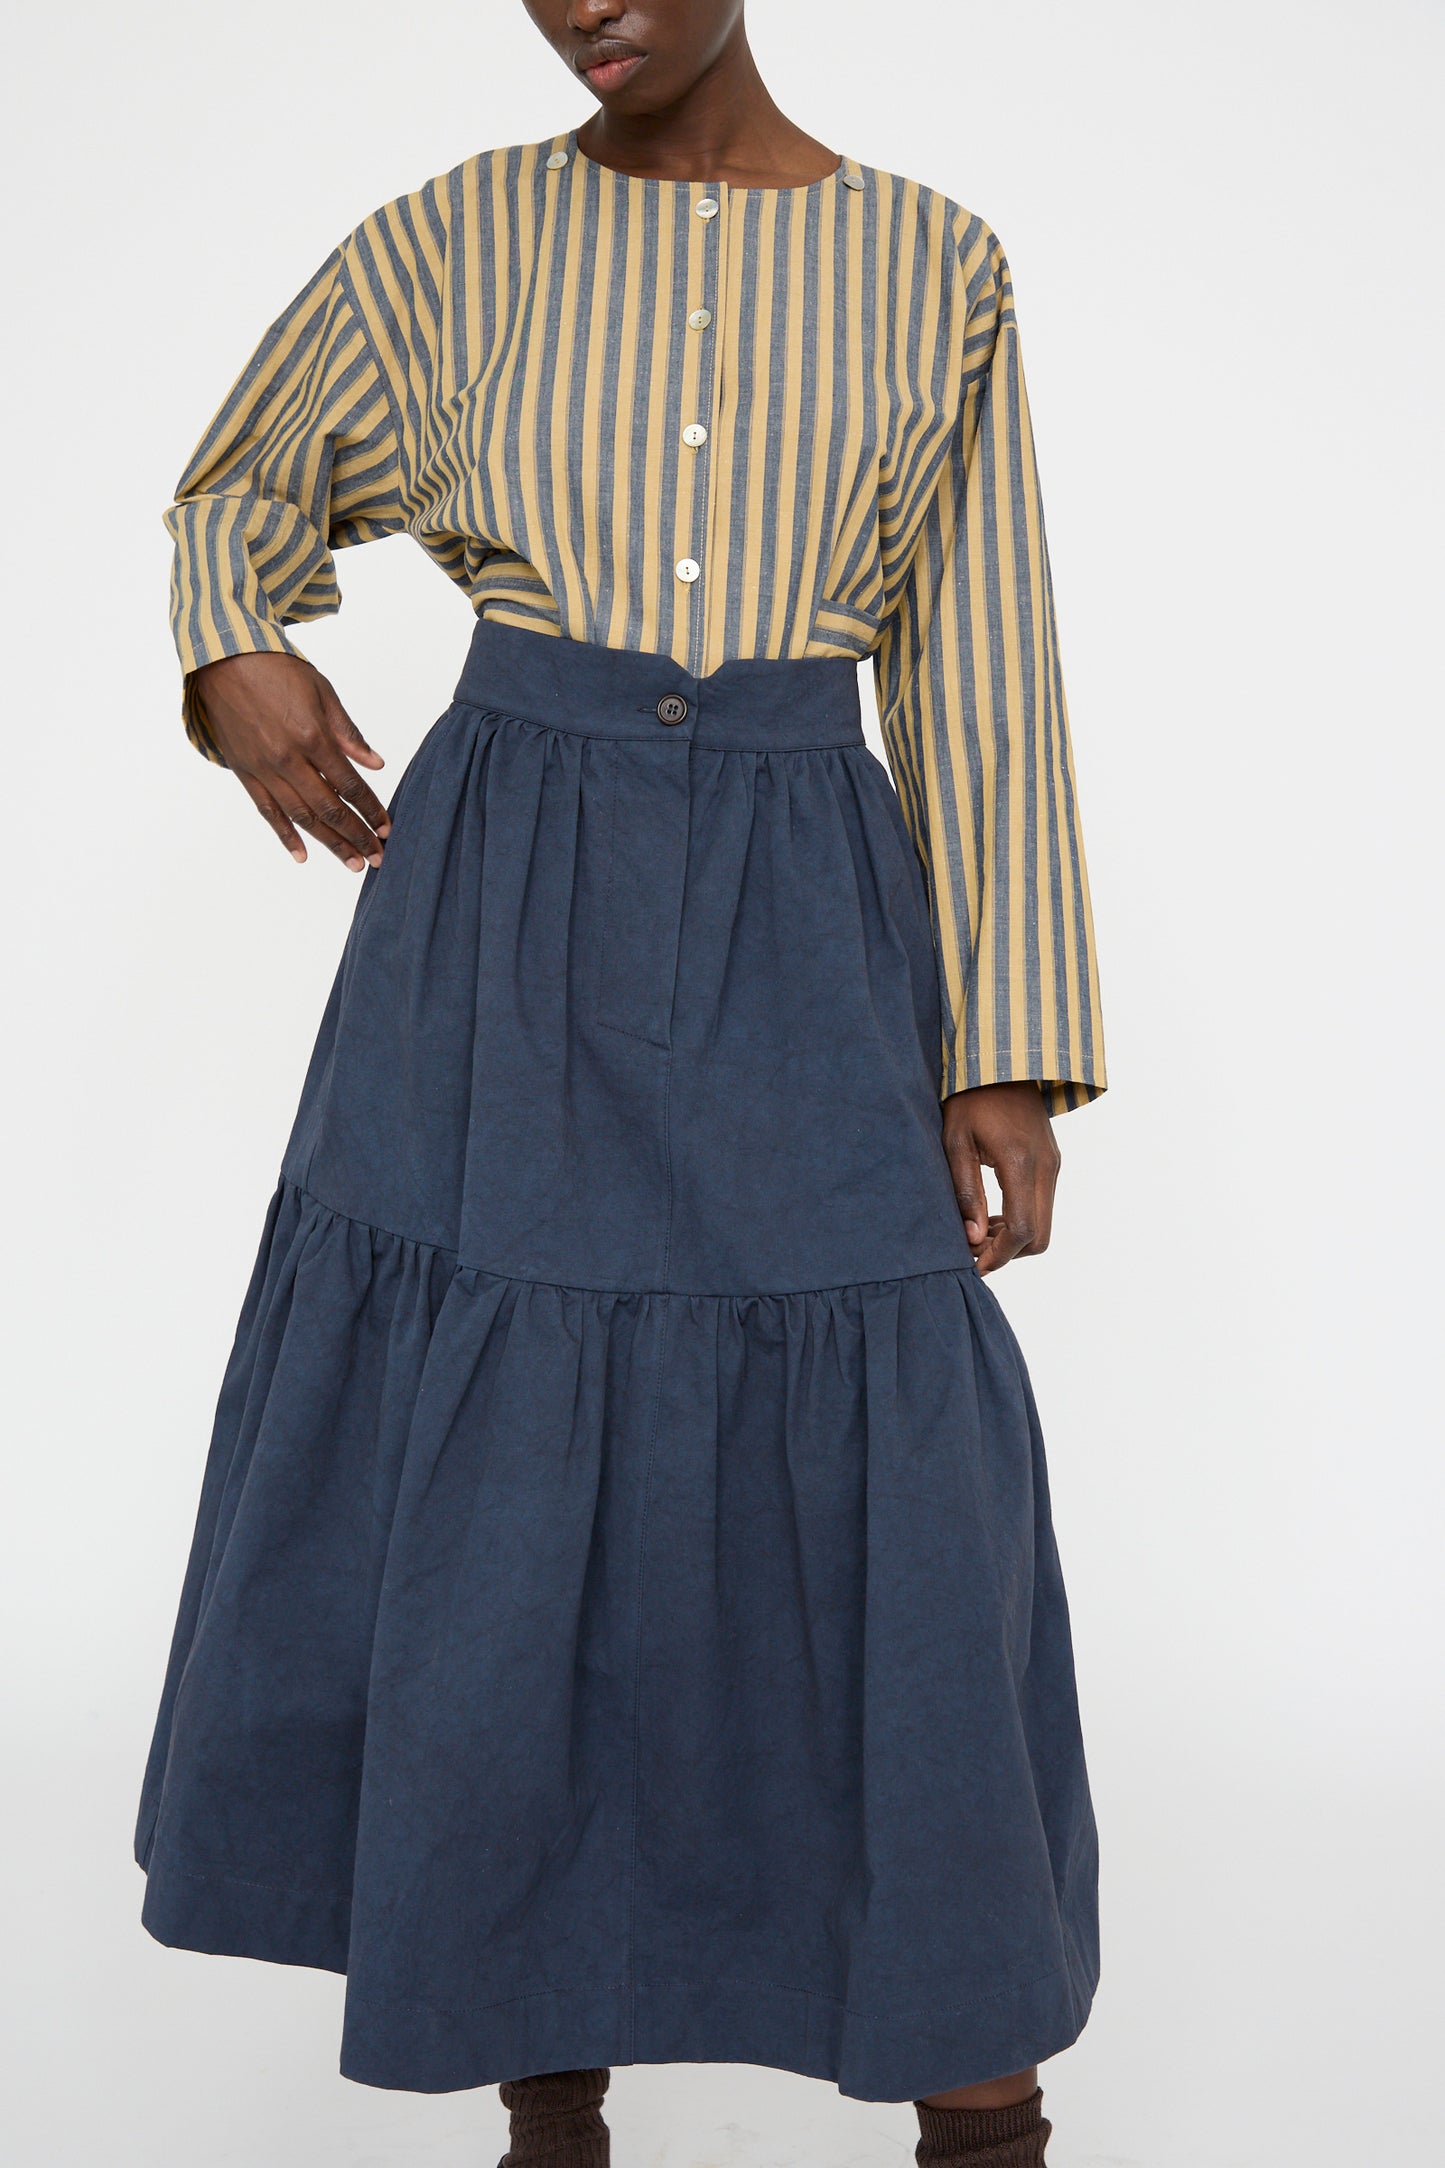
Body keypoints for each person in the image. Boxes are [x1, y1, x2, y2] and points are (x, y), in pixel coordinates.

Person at [134, 5, 1108, 2164]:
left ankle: (980, 2114)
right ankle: (547, 2123)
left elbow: (978, 652)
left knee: (901, 1491)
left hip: (800, 893)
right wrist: (238, 660)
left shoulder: (933, 262)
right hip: (504, 910)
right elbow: (237, 493)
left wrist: (1011, 1048)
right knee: (503, 1475)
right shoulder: (455, 239)